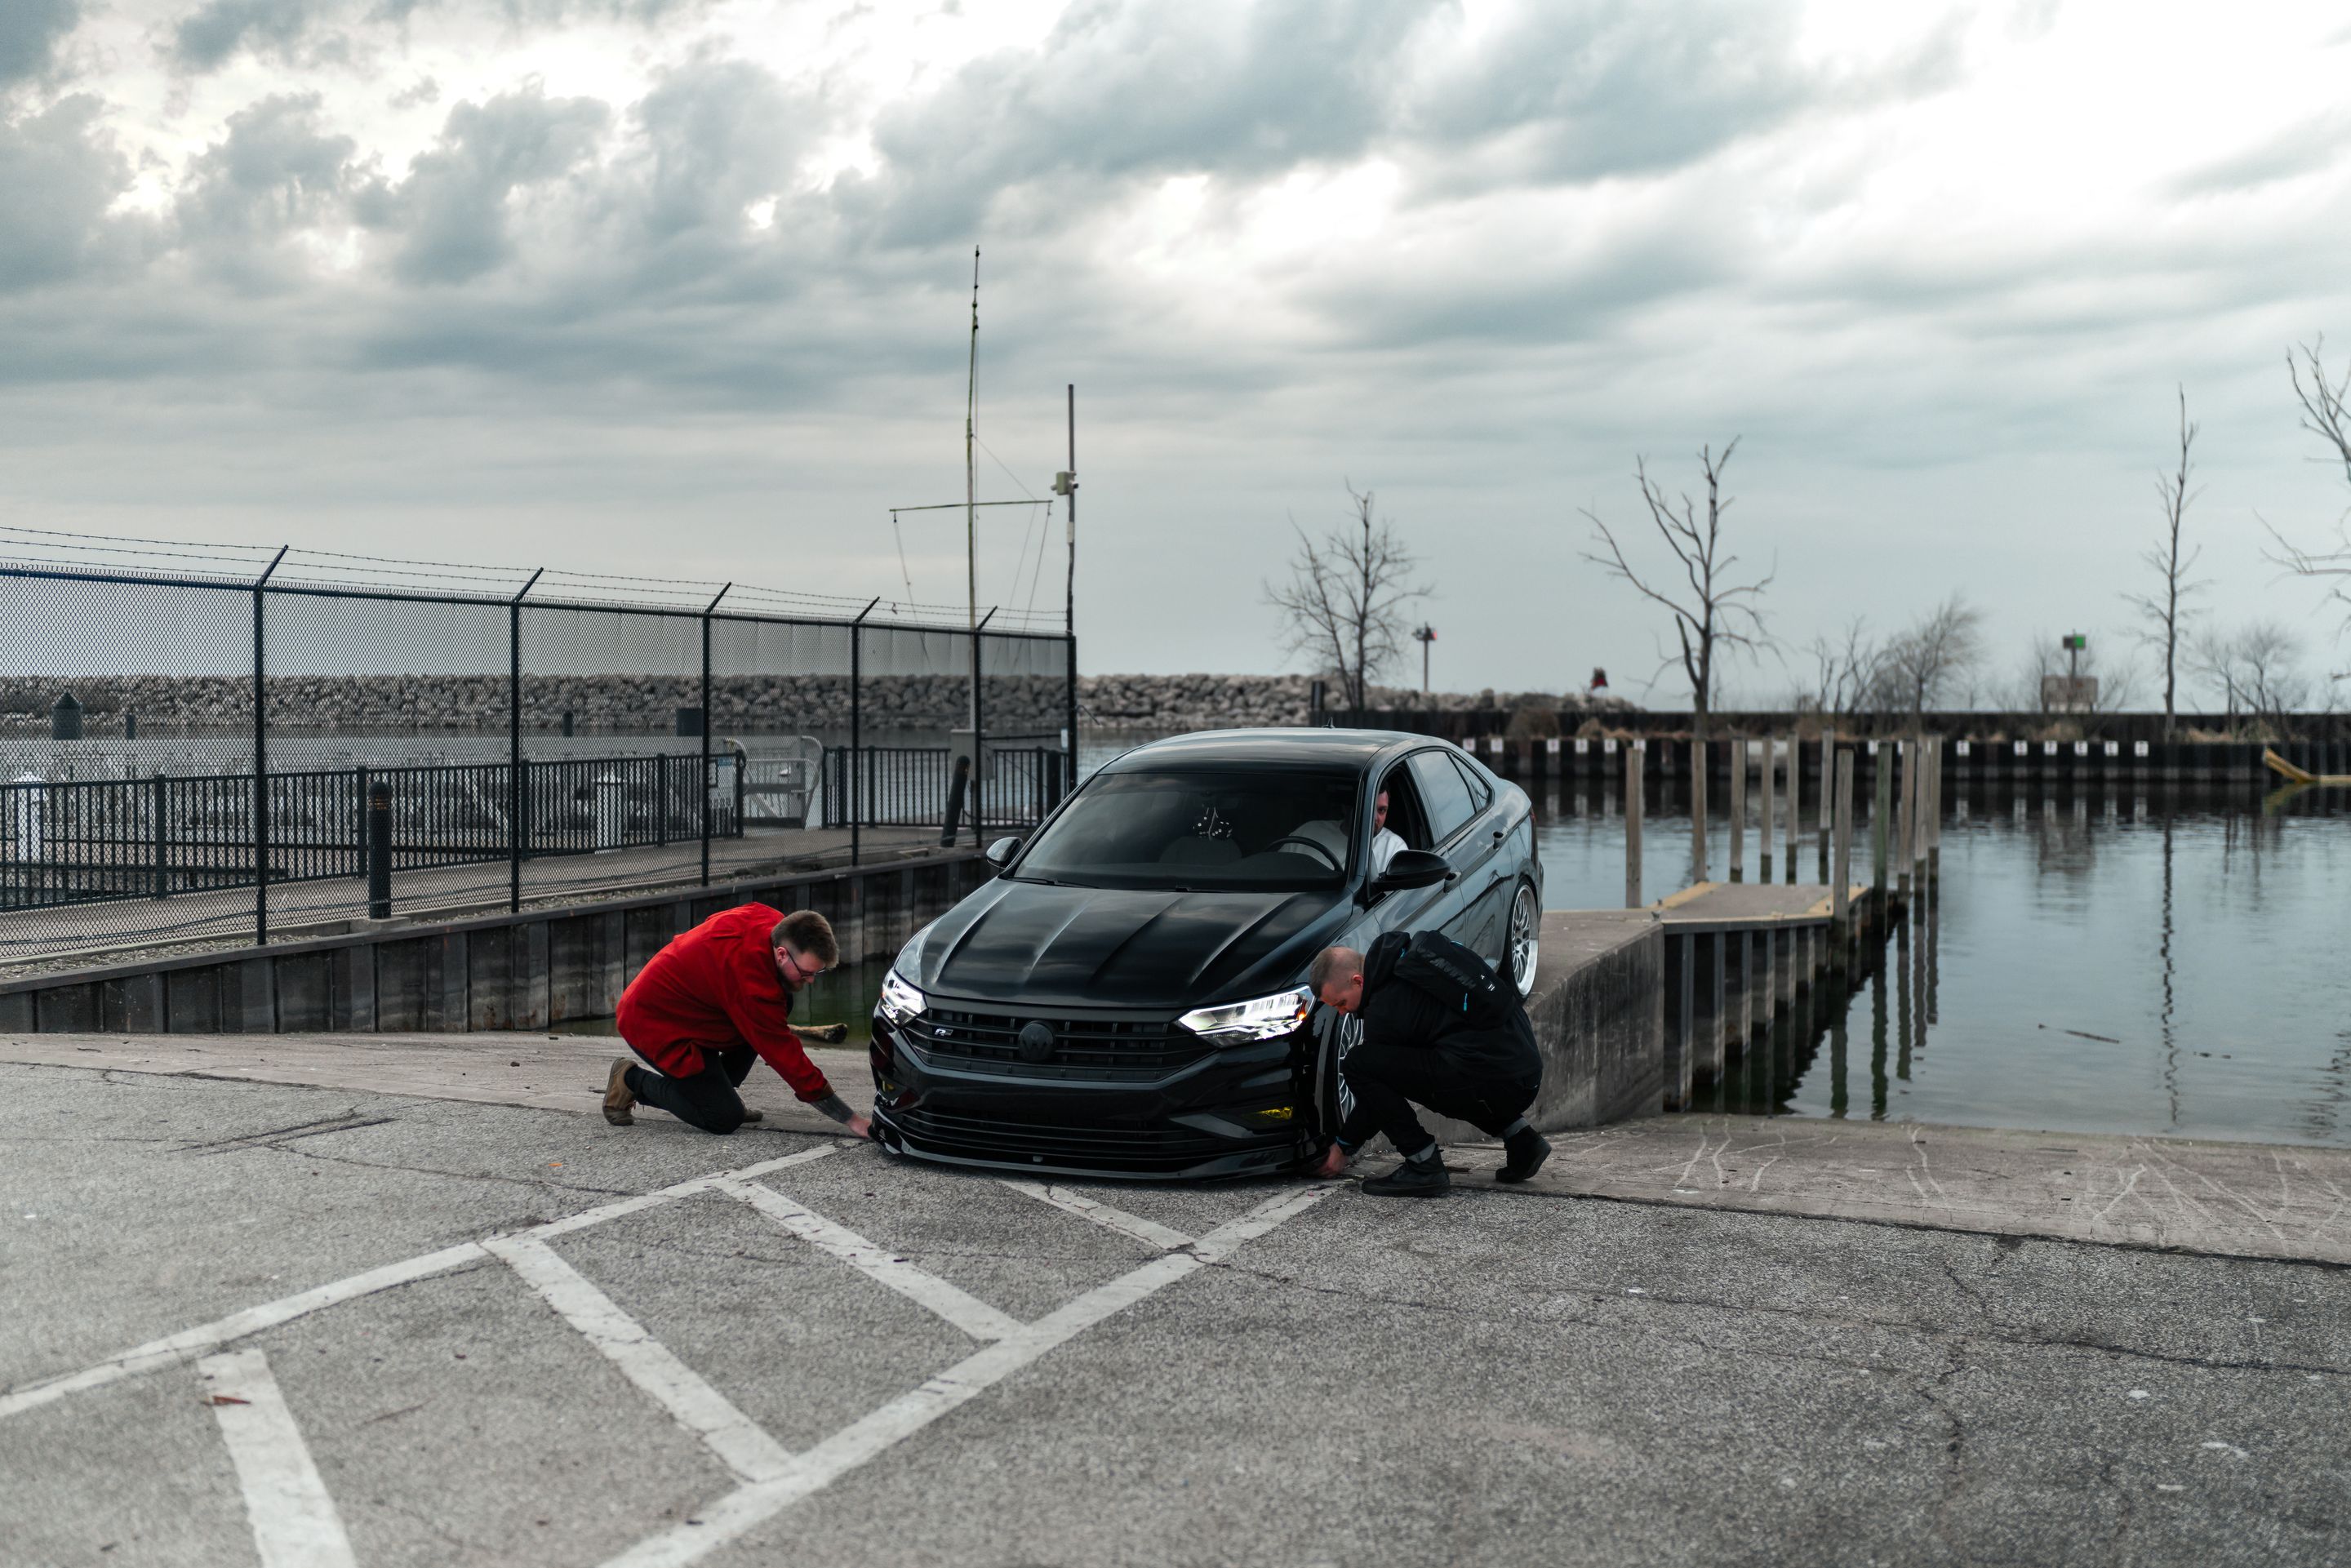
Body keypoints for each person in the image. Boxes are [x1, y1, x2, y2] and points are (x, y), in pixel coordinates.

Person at [1305, 931, 1550, 1196]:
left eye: (1341, 1003)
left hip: (1497, 1083)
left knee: (1359, 1064)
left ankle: (1423, 1165)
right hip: (1525, 1074)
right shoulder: (1413, 957)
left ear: (1358, 981)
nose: (1343, 1012)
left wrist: (1343, 1147)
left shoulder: (1385, 1009)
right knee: (1453, 1063)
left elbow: (1376, 1098)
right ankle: (1523, 1141)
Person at [602, 904, 871, 1138]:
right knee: (722, 1117)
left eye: (818, 973)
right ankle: (630, 1080)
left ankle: (718, 1091)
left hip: (695, 1010)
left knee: (784, 999)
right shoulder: (751, 983)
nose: (811, 980)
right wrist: (851, 1119)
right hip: (652, 1021)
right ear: (781, 954)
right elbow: (788, 1060)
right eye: (807, 973)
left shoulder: (770, 922)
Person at [1368, 784, 1406, 877]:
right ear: (1346, 807)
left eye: (1381, 810)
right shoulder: (1326, 833)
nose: (1375, 818)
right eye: (1368, 808)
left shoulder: (1395, 848)